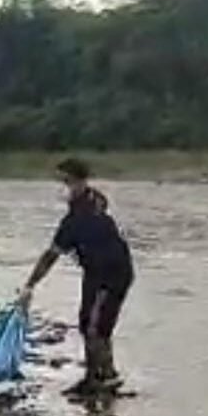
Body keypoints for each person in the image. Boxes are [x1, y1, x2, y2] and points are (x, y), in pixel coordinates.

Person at [19, 158, 134, 397]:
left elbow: (51, 255)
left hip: (112, 274)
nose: (62, 187)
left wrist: (30, 284)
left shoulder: (78, 218)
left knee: (94, 327)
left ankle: (101, 379)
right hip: (96, 272)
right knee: (91, 324)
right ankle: (101, 375)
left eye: (65, 181)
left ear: (79, 181)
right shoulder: (92, 201)